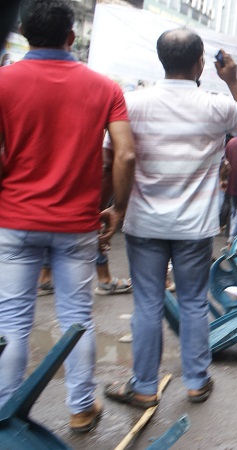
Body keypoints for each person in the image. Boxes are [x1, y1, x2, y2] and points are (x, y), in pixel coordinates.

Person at [102, 29, 237, 409]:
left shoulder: (131, 102)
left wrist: (112, 207)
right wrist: (234, 81)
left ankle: (143, 386)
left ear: (162, 59)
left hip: (143, 224)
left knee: (147, 305)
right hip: (195, 226)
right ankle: (196, 381)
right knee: (193, 302)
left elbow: (112, 158)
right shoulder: (216, 105)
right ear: (200, 62)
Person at [0, 0, 136, 432]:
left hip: (15, 219)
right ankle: (81, 407)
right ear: (71, 36)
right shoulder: (104, 87)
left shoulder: (3, 82)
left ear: (23, 32)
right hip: (77, 225)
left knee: (13, 321)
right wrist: (117, 207)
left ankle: (6, 410)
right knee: (77, 317)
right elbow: (126, 153)